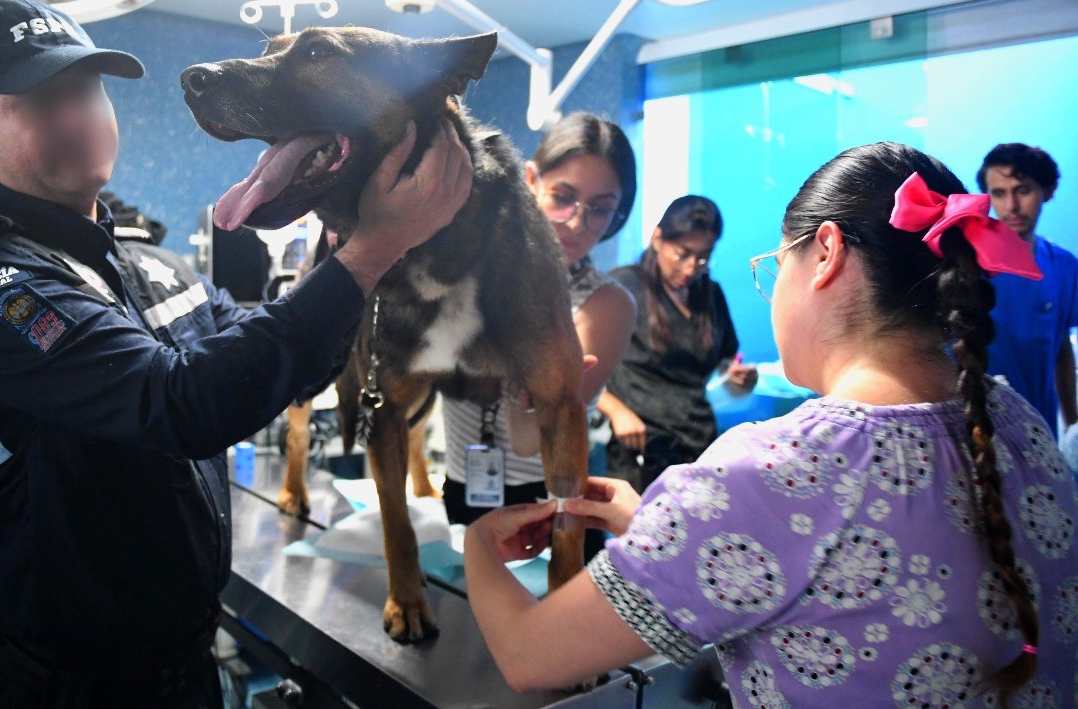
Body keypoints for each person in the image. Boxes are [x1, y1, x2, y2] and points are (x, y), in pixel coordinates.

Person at [0, 0, 472, 707]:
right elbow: (179, 401)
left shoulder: (155, 271)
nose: (76, 116)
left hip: (184, 675)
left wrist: (348, 229)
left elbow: (289, 361)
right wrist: (368, 254)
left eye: (85, 90)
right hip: (61, 692)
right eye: (40, 99)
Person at [462, 142, 1078, 705]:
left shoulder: (770, 471)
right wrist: (664, 530)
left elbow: (529, 656)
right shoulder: (1016, 423)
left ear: (826, 253)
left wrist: (479, 546)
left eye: (777, 262)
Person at [440, 114, 637, 533]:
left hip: (546, 509)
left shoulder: (607, 304)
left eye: (601, 209)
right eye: (563, 197)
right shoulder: (471, 269)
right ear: (530, 180)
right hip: (459, 486)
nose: (577, 223)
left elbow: (531, 440)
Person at [599, 196, 756, 491]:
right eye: (682, 254)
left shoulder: (711, 294)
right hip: (641, 450)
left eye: (703, 257)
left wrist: (739, 379)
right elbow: (577, 366)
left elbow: (727, 363)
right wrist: (616, 410)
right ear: (658, 238)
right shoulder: (620, 289)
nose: (691, 268)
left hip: (700, 445)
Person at [978, 143, 1078, 435]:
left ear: (1048, 190)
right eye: (999, 193)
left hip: (1041, 425)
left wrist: (1072, 425)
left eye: (1023, 191)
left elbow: (1060, 349)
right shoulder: (968, 263)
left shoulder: (1064, 266)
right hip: (978, 425)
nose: (1011, 206)